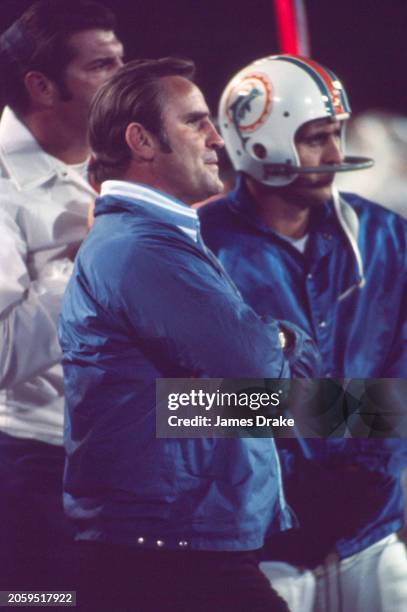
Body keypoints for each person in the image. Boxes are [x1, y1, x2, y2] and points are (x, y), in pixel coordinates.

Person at [59, 57, 319, 612]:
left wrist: (376, 416)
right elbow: (251, 373)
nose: (215, 138)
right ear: (142, 141)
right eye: (195, 121)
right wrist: (283, 342)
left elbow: (184, 409)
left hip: (183, 539)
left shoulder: (159, 237)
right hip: (167, 551)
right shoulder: (140, 247)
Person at [199, 54, 407, 612]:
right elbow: (181, 408)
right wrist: (345, 420)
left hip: (371, 525)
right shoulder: (195, 249)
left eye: (336, 133)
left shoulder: (388, 236)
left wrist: (373, 459)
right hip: (256, 539)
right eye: (316, 138)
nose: (337, 155)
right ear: (257, 144)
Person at [0, 0, 123, 590]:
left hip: (153, 451)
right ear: (42, 87)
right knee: (38, 603)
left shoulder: (130, 160)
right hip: (41, 470)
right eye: (103, 67)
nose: (126, 82)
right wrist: (93, 260)